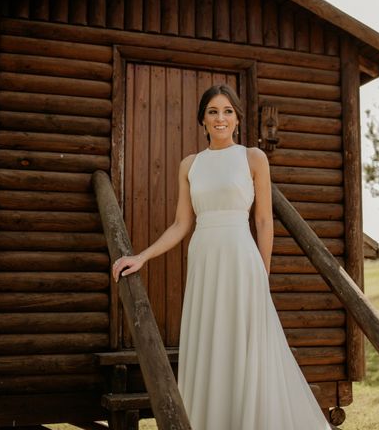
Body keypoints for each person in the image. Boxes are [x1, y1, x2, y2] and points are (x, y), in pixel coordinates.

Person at [112, 84, 331, 430]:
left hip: (242, 259)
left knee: (247, 345)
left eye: (228, 111)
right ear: (202, 120)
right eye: (213, 111)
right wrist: (143, 256)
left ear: (238, 119)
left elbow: (262, 220)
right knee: (211, 343)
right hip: (204, 260)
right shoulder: (189, 165)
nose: (220, 118)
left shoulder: (253, 158)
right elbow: (181, 224)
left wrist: (263, 274)